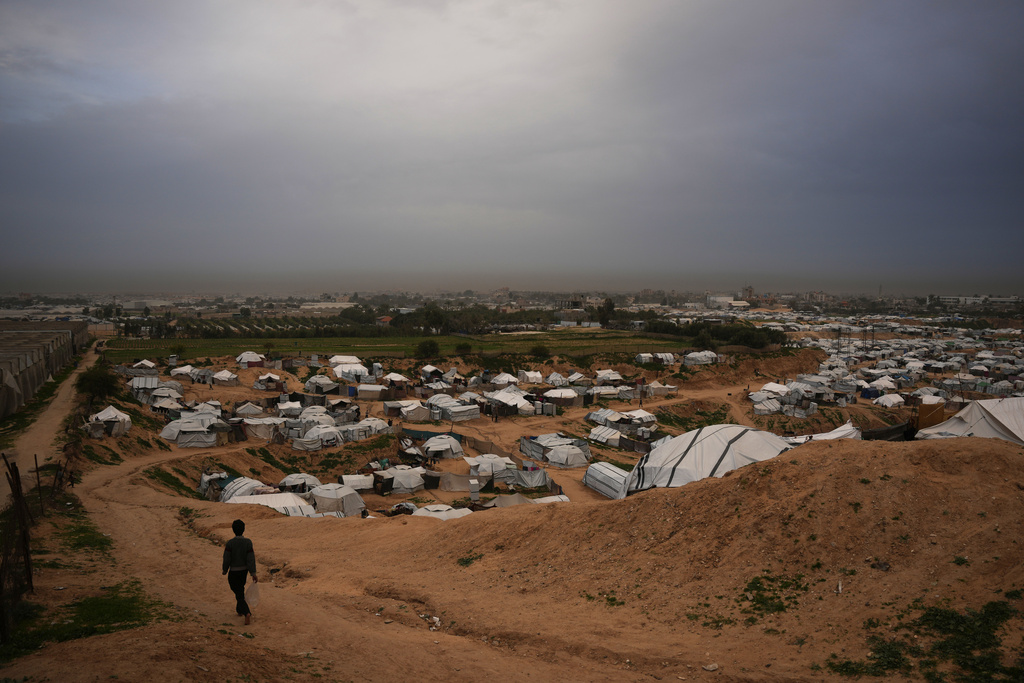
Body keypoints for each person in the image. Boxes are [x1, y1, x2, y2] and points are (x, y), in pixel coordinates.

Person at [222, 519, 258, 625]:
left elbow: (226, 558)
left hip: (233, 571)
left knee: (237, 591)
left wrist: (225, 569)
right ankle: (239, 610)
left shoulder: (230, 543)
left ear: (233, 530)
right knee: (240, 590)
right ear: (244, 529)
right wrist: (253, 573)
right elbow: (250, 559)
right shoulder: (248, 542)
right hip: (244, 572)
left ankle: (246, 612)